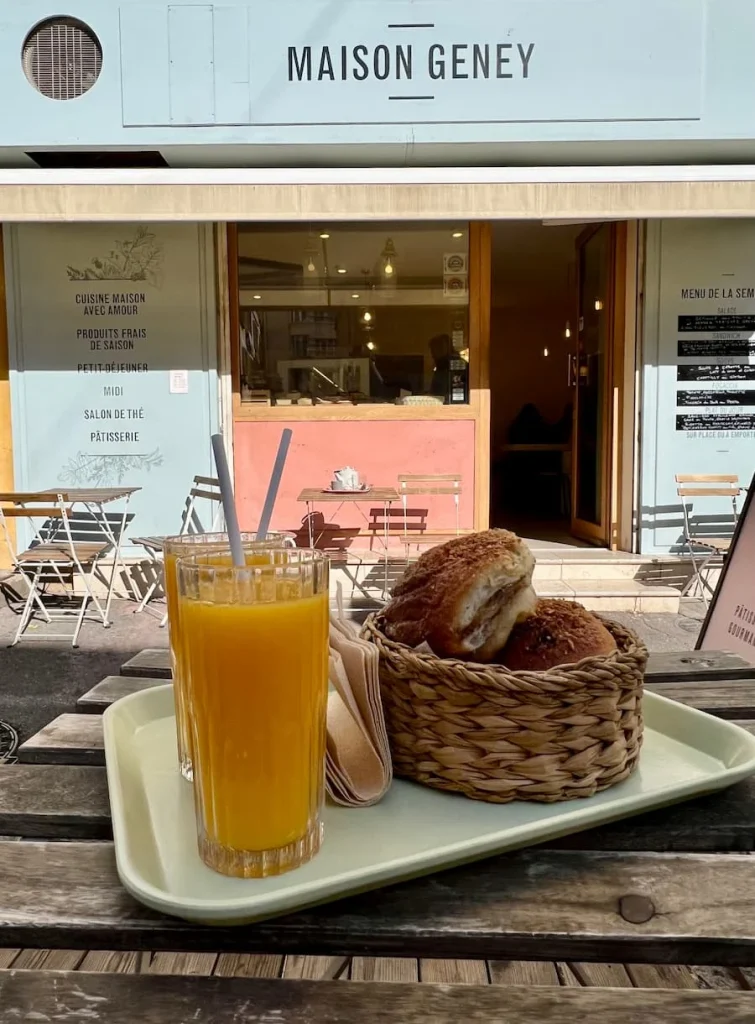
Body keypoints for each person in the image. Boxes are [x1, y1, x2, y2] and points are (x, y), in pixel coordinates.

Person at [429, 334, 452, 399]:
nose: (432, 355)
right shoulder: (440, 366)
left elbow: (439, 392)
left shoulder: (449, 366)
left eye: (433, 350)